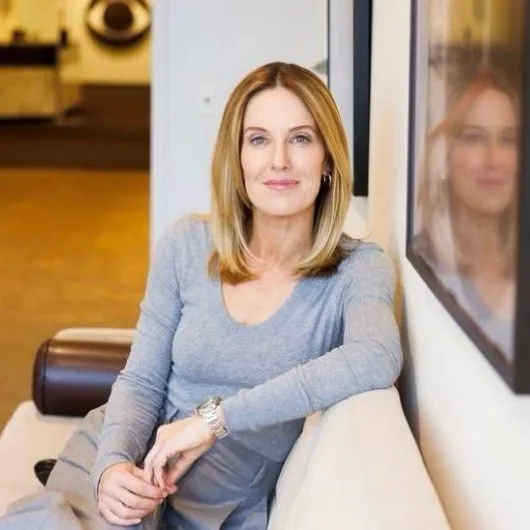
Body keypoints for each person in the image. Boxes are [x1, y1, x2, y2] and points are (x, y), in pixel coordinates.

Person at [1, 62, 402, 530]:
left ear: (328, 159)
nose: (279, 161)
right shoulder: (187, 244)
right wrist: (111, 466)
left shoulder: (357, 268)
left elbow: (376, 356)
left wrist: (212, 422)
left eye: (300, 138)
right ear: (237, 158)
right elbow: (142, 380)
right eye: (258, 140)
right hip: (126, 449)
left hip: (212, 493)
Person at [414, 67, 519, 359]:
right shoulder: (425, 267)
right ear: (443, 156)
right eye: (475, 138)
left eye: (507, 139)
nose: (494, 160)